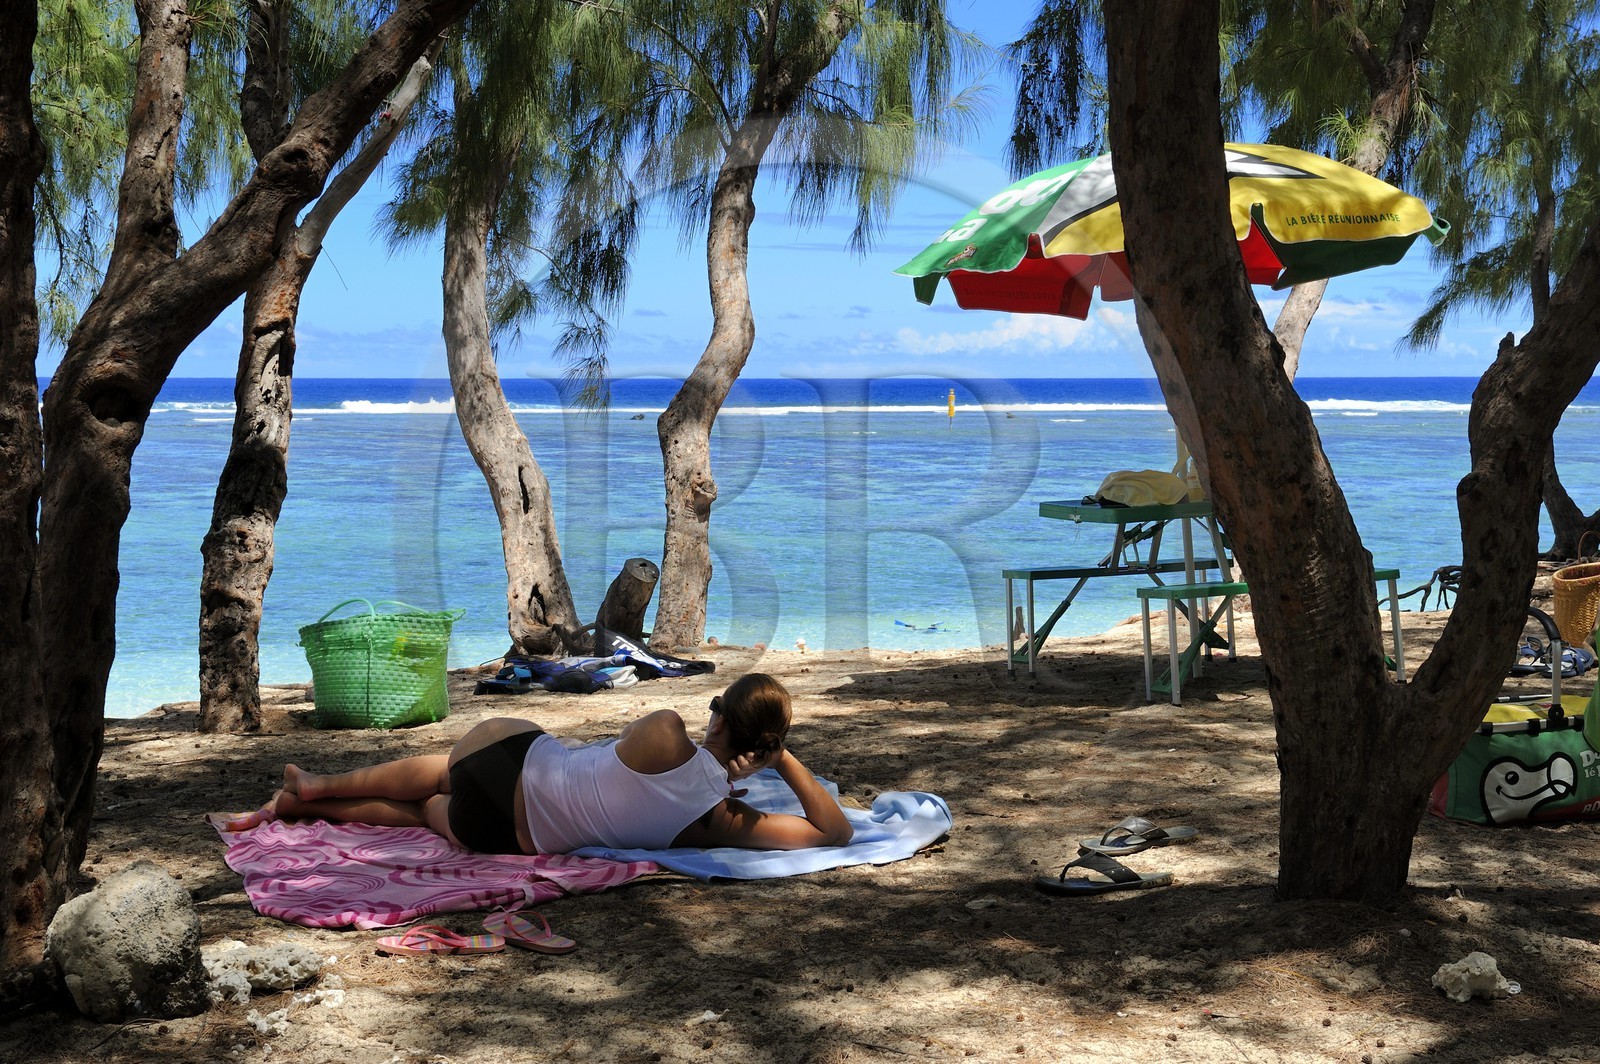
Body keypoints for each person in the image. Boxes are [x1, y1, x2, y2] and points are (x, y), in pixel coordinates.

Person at [255, 672, 853, 854]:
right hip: (503, 836)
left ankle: (315, 785)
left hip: (504, 762)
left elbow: (632, 748)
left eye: (717, 705)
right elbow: (835, 832)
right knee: (427, 812)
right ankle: (309, 808)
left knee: (444, 770)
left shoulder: (670, 731)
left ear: (719, 719)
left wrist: (718, 763)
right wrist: (780, 762)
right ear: (767, 743)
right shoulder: (719, 821)